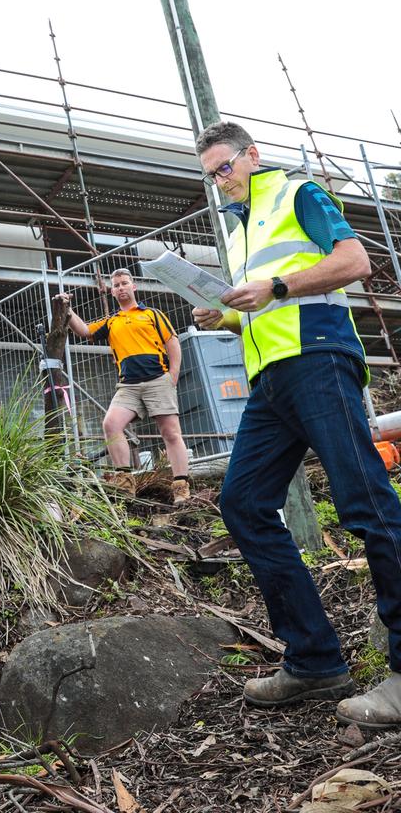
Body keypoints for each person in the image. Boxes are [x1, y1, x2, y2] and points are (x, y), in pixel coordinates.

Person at [192, 120, 401, 728]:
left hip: (318, 361)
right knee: (244, 503)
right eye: (210, 177)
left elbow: (355, 260)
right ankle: (314, 660)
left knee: (365, 501)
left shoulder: (298, 192)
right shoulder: (238, 232)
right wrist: (226, 316)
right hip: (270, 380)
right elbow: (266, 309)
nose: (219, 183)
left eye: (224, 168)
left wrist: (276, 284)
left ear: (251, 155)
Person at [56, 267, 191, 503]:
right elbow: (84, 330)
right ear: (112, 291)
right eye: (116, 285)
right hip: (128, 385)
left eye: (124, 283)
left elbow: (172, 342)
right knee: (111, 424)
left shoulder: (152, 314)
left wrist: (173, 375)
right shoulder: (112, 322)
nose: (120, 288)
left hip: (158, 379)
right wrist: (67, 310)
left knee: (170, 432)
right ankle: (126, 484)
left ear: (133, 286)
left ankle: (181, 486)